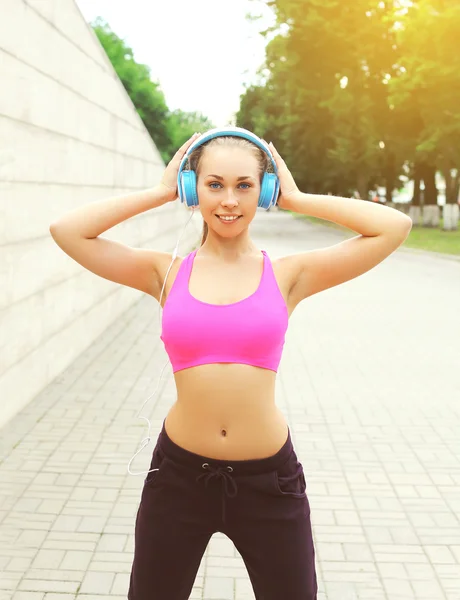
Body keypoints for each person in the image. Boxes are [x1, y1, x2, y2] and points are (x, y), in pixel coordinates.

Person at [49, 129, 412, 600]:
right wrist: (159, 192)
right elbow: (67, 231)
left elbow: (393, 226)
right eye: (214, 184)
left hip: (269, 484)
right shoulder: (165, 272)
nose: (228, 200)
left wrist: (297, 198)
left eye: (244, 185)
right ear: (190, 188)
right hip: (178, 479)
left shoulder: (287, 276)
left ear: (263, 191)